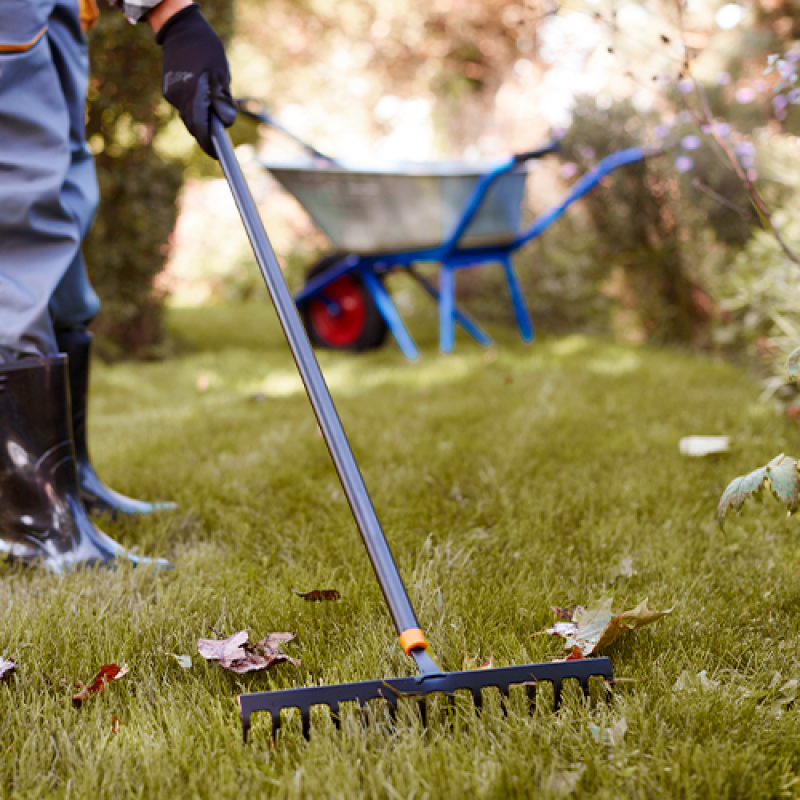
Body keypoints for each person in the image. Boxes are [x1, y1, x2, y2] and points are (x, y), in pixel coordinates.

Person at [0, 0, 236, 572]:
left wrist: (174, 17)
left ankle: (66, 485)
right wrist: (172, 12)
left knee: (60, 219)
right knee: (18, 224)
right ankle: (35, 524)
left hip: (49, 16)